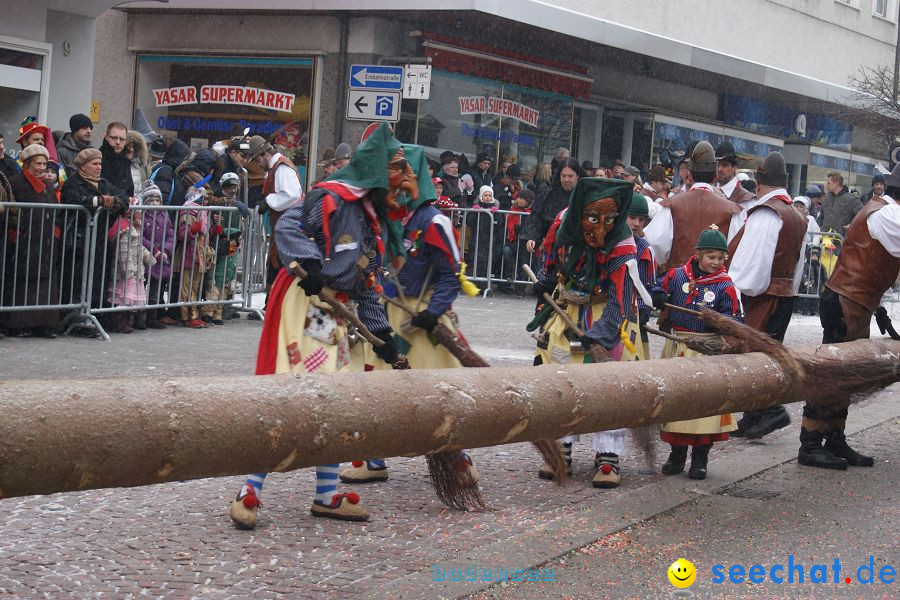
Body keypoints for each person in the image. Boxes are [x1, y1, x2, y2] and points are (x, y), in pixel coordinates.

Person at [228, 123, 411, 528]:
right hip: (306, 303)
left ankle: (326, 495)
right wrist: (309, 262)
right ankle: (250, 485)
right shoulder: (331, 194)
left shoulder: (371, 218)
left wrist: (383, 338)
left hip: (335, 313)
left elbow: (366, 282)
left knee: (336, 399)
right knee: (298, 396)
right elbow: (288, 225)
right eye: (397, 172)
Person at [340, 143, 480, 485]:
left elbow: (451, 274)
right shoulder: (384, 217)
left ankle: (458, 459)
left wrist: (432, 314)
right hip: (385, 315)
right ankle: (371, 458)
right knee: (371, 385)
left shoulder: (433, 222)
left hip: (423, 320)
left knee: (437, 393)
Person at [529, 178, 651, 488]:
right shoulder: (564, 221)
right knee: (559, 376)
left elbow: (623, 293)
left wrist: (604, 333)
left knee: (612, 383)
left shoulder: (623, 240)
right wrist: (545, 279)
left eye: (608, 220)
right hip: (568, 309)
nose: (600, 228)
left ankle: (607, 456)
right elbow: (553, 253)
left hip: (608, 310)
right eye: (593, 219)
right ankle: (560, 449)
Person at [797, 164, 900, 469]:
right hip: (846, 301)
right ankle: (810, 444)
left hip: (854, 302)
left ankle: (835, 439)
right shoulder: (890, 215)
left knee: (846, 375)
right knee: (832, 375)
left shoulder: (884, 211)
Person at [727, 151, 808, 439]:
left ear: (759, 183)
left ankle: (770, 409)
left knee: (756, 356)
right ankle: (754, 414)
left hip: (763, 297)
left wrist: (731, 289)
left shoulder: (767, 213)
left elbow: (752, 265)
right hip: (784, 294)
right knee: (767, 354)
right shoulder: (797, 215)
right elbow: (798, 264)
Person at [654, 227, 741, 479]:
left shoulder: (726, 286)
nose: (715, 262)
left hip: (706, 350)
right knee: (677, 402)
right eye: (711, 257)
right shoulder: (677, 276)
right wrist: (657, 294)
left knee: (705, 405)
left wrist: (720, 321)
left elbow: (735, 319)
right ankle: (677, 454)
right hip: (679, 346)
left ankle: (700, 458)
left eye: (720, 258)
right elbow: (656, 288)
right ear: (698, 254)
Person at [644, 141, 742, 271]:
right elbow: (739, 253)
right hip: (715, 285)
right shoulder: (731, 210)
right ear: (715, 176)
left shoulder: (672, 205)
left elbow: (654, 244)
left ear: (690, 174)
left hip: (678, 283)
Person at [60, 148, 130, 323]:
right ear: (83, 166)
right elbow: (79, 199)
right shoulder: (73, 182)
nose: (99, 167)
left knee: (98, 281)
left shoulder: (104, 183)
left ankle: (94, 317)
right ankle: (74, 319)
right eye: (94, 164)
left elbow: (123, 196)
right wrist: (99, 201)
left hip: (99, 241)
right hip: (77, 240)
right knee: (76, 281)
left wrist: (116, 201)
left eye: (100, 163)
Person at [0, 144, 61, 338]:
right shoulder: (16, 183)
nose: (42, 167)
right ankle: (20, 323)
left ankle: (43, 323)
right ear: (27, 164)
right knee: (22, 281)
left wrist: (55, 233)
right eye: (38, 163)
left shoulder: (49, 186)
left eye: (44, 163)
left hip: (45, 238)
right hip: (24, 239)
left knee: (45, 282)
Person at [201, 172, 245, 325]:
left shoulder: (236, 204)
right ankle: (208, 311)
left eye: (235, 187)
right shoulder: (216, 200)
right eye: (230, 187)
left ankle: (218, 312)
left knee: (226, 277)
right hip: (217, 242)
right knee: (214, 276)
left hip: (232, 243)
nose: (233, 190)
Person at [106, 203, 155, 333]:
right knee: (122, 299)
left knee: (130, 300)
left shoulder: (135, 229)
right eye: (140, 213)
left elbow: (139, 247)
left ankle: (127, 321)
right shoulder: (125, 230)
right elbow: (123, 252)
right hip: (126, 273)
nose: (142, 216)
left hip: (135, 271)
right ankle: (119, 322)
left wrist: (148, 257)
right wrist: (127, 270)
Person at [522, 157, 583, 256]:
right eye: (564, 176)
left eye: (570, 176)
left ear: (578, 176)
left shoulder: (584, 196)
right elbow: (536, 219)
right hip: (552, 248)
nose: (566, 179)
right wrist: (532, 238)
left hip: (578, 249)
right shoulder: (548, 195)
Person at [139, 181, 175, 330]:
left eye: (157, 200)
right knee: (141, 291)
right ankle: (139, 319)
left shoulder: (165, 216)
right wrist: (154, 250)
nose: (154, 203)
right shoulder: (141, 216)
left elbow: (171, 236)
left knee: (156, 291)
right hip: (147, 257)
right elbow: (141, 236)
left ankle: (152, 317)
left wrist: (165, 250)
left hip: (161, 260)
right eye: (151, 200)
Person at [627, 192, 656, 358]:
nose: (637, 224)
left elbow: (646, 289)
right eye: (632, 217)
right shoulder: (605, 243)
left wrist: (642, 310)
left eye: (641, 220)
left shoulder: (645, 250)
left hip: (633, 321)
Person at [148, 137, 190, 205]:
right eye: (185, 161)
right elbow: (161, 197)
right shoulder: (165, 171)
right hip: (162, 214)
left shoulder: (169, 170)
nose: (185, 165)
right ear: (178, 158)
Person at [715, 142, 755, 209]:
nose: (719, 169)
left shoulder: (746, 199)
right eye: (717, 165)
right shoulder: (709, 192)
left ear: (734, 168)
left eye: (724, 165)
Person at [100, 122, 134, 197]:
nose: (118, 142)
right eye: (114, 138)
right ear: (106, 137)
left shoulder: (126, 161)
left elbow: (129, 189)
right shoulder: (97, 158)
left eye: (122, 139)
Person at [126, 130, 151, 195]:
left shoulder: (141, 166)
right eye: (128, 146)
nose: (131, 149)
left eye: (134, 146)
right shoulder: (118, 165)